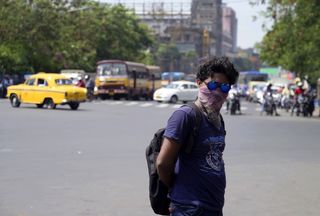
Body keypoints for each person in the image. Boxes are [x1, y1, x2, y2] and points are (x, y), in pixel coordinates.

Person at [156, 57, 239, 216]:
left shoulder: (217, 118)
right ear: (199, 82)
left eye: (225, 87)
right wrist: (177, 190)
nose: (218, 91)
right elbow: (163, 163)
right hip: (189, 208)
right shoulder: (185, 116)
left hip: (214, 206)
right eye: (213, 84)